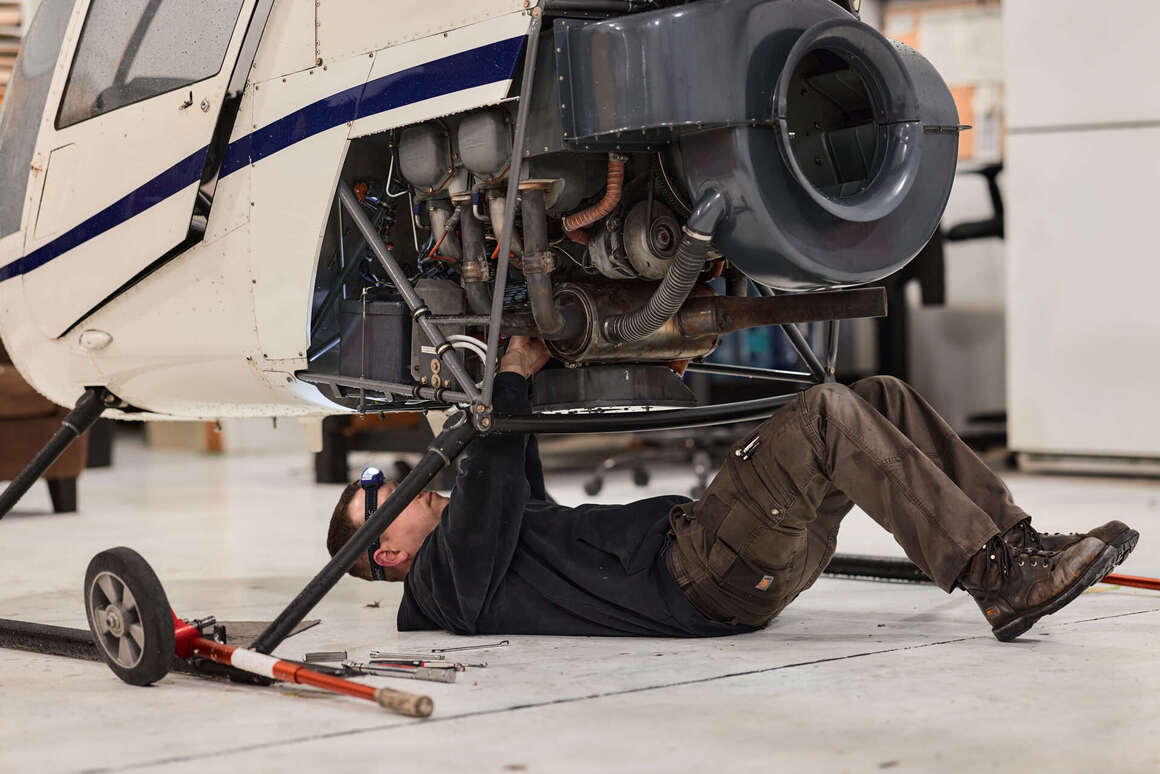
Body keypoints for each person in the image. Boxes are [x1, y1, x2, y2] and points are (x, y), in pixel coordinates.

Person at [326, 337, 1138, 642]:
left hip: (728, 561)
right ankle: (998, 582)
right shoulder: (444, 590)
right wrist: (500, 388)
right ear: (388, 557)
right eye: (376, 501)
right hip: (705, 573)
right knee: (825, 415)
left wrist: (526, 368)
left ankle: (1018, 546)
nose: (392, 485)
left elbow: (513, 448)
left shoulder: (491, 546)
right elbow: (490, 484)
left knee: (880, 395)